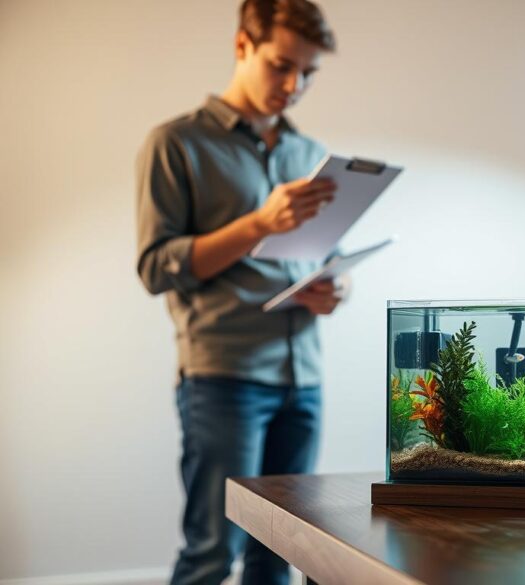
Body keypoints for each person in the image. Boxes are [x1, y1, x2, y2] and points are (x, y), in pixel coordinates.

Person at [135, 1, 343, 583]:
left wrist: (333, 286)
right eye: (281, 66)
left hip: (303, 379)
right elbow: (156, 267)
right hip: (223, 380)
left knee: (280, 552)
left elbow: (317, 257)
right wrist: (257, 224)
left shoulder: (310, 155)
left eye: (307, 73)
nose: (294, 85)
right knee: (211, 553)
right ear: (241, 45)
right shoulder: (175, 144)